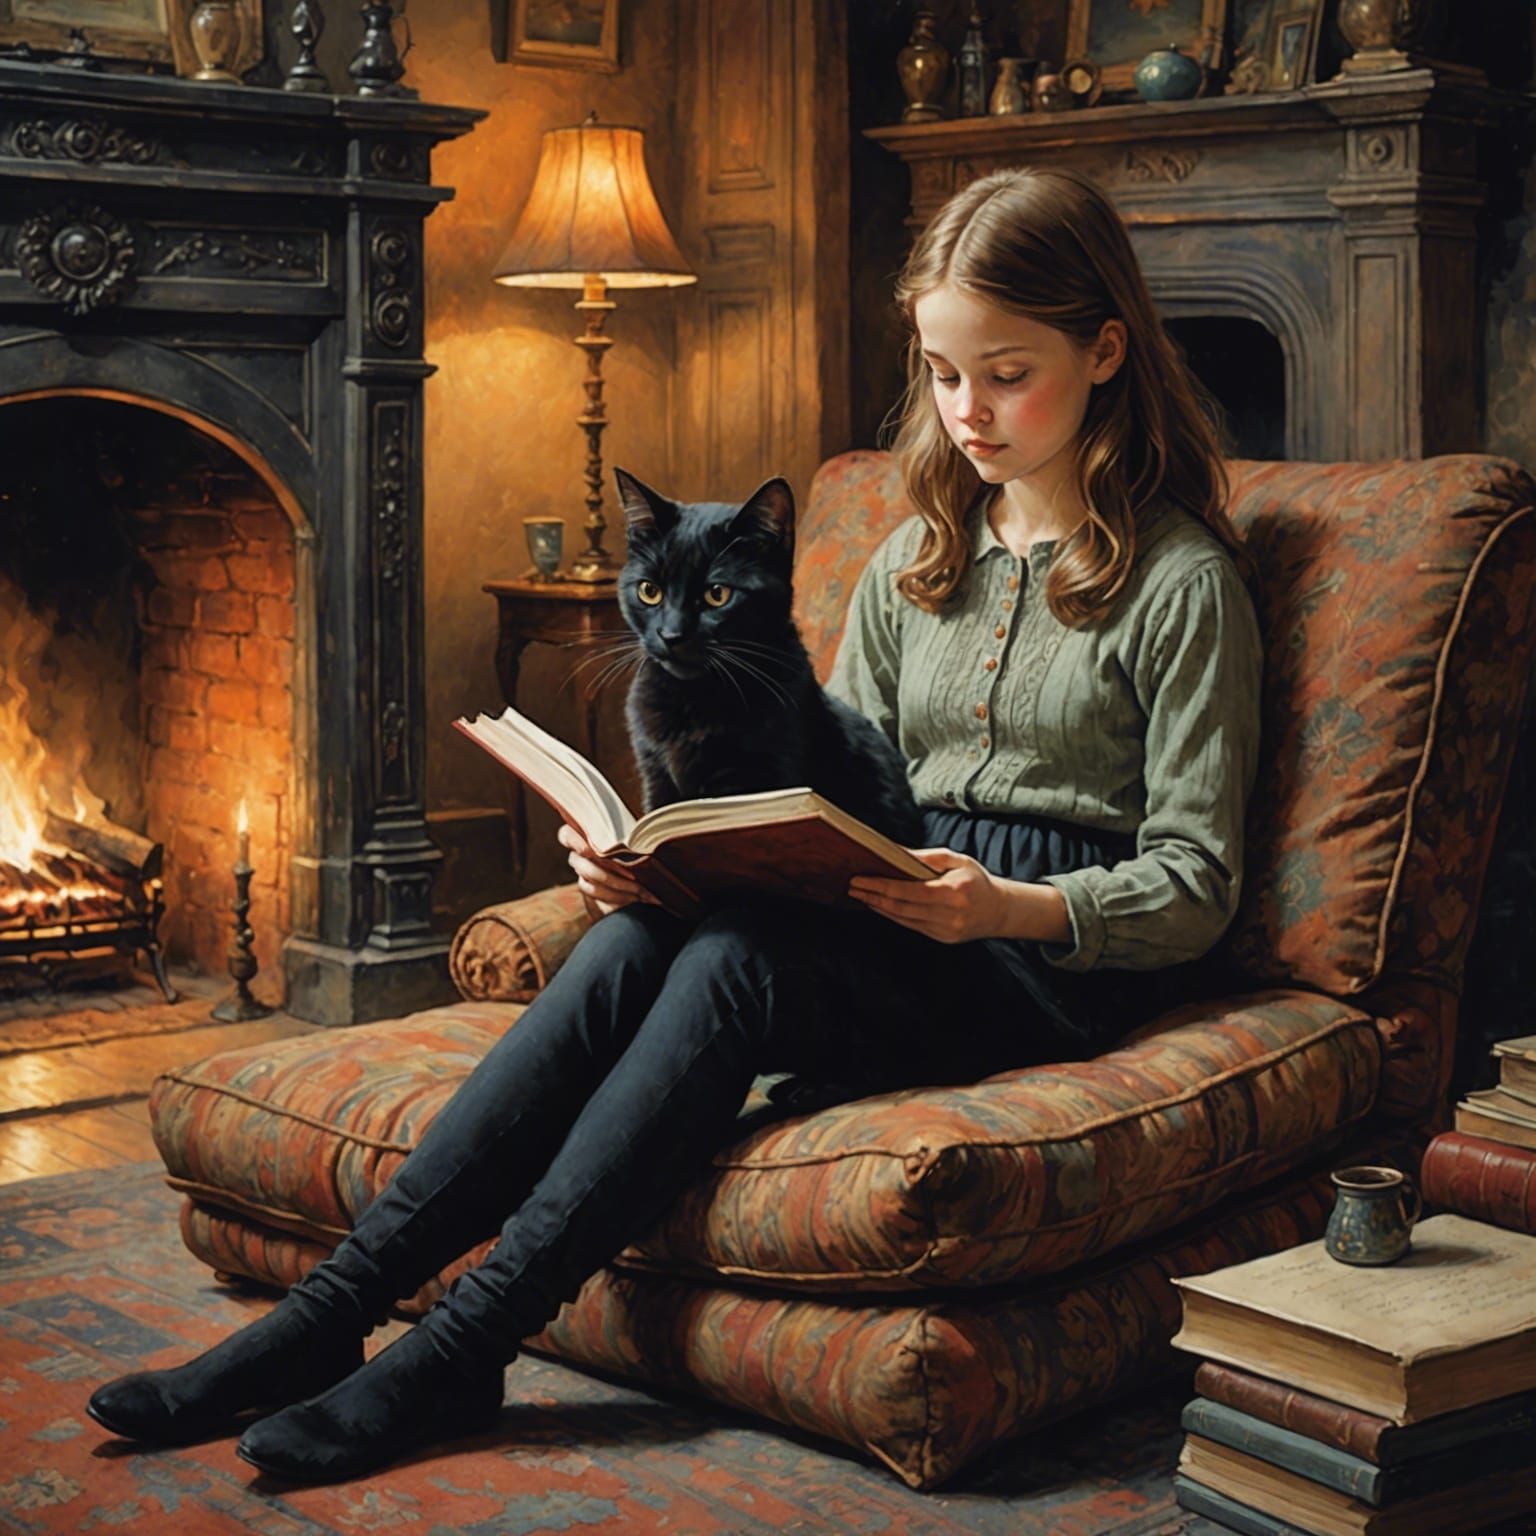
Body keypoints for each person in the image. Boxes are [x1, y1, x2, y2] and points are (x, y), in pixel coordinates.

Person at [86, 166, 1262, 1484]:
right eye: (942, 374)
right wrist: (658, 865)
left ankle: (461, 1345)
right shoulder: (916, 558)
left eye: (1006, 373)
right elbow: (836, 776)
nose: (966, 412)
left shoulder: (1181, 583)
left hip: (1044, 965)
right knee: (647, 943)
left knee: (735, 964)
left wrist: (1003, 907)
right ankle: (325, 1319)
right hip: (883, 909)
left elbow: (1198, 882)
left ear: (1105, 350)